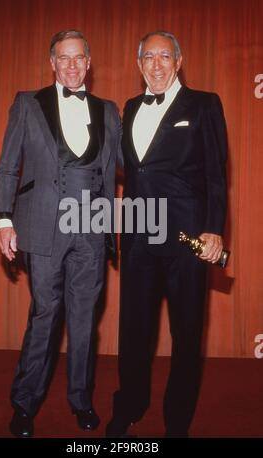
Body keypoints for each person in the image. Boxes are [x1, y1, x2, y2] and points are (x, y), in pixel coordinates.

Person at [0, 30, 120, 438]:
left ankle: (81, 400)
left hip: (92, 230)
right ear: (52, 63)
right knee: (45, 316)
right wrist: (3, 219)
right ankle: (24, 403)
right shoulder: (27, 104)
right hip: (44, 227)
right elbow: (8, 166)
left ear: (89, 63)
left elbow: (130, 163)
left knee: (85, 320)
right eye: (63, 58)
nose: (71, 65)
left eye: (78, 58)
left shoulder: (109, 110)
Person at [106, 31, 228, 438]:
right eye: (148, 58)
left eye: (164, 56)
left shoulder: (204, 104)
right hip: (139, 235)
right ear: (139, 64)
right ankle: (131, 404)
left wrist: (214, 229)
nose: (156, 65)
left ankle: (177, 420)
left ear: (179, 61)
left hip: (186, 238)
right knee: (135, 329)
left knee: (187, 333)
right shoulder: (130, 106)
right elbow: (131, 168)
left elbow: (216, 175)